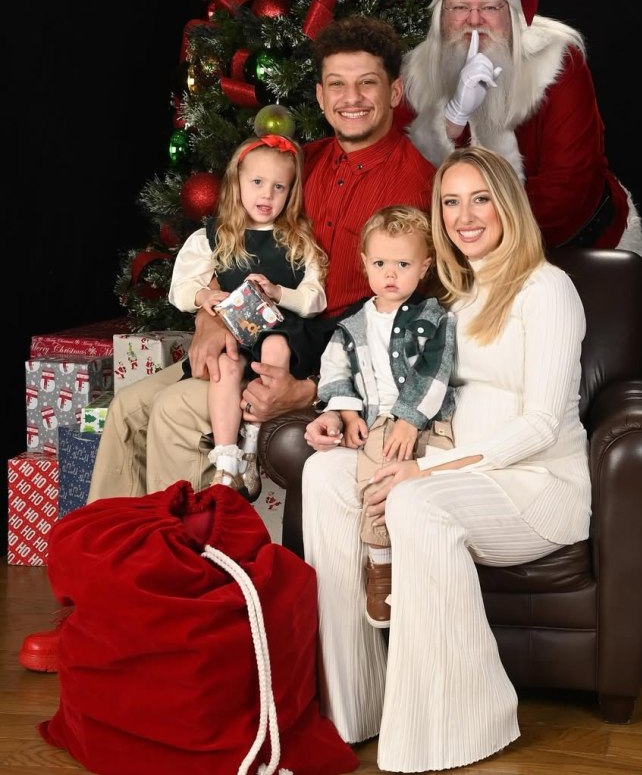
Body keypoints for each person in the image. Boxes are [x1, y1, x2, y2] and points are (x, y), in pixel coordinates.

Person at [18, 15, 436, 673]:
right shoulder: (301, 166)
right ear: (321, 94)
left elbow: (401, 317)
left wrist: (307, 388)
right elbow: (234, 251)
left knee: (173, 414)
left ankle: (181, 618)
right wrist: (211, 322)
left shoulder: (418, 180)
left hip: (316, 364)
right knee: (128, 407)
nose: (350, 97)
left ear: (393, 90)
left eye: (366, 83)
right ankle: (96, 606)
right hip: (241, 339)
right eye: (335, 84)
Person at [301, 145, 592, 773]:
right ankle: (356, 705)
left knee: (415, 502)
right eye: (450, 202)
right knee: (324, 474)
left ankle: (455, 724)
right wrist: (346, 416)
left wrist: (422, 470)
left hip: (535, 487)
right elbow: (396, 384)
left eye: (480, 198)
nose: (465, 215)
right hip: (456, 466)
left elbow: (542, 423)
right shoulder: (450, 298)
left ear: (508, 204)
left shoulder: (546, 290)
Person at [394, 0, 642, 258]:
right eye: (459, 7)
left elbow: (568, 186)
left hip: (575, 246)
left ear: (512, 17)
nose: (473, 21)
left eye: (489, 7)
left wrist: (479, 241)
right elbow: (403, 180)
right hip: (465, 253)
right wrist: (452, 122)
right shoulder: (414, 75)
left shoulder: (557, 60)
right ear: (441, 17)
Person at [306, 205, 456, 629]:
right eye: (380, 263)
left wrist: (410, 420)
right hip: (378, 422)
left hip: (428, 420)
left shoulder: (433, 318)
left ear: (424, 267)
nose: (391, 274)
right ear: (364, 265)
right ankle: (381, 563)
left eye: (403, 264)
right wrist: (346, 412)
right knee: (374, 477)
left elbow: (435, 368)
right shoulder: (351, 326)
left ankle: (427, 561)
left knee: (434, 476)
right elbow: (334, 371)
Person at [169, 132, 327, 498]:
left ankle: (252, 446)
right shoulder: (218, 235)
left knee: (275, 348)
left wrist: (278, 292)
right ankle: (227, 462)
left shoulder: (298, 239)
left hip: (280, 329)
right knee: (225, 365)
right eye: (257, 183)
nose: (266, 195)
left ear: (291, 193)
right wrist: (204, 294)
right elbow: (180, 287)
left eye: (279, 187)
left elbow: (314, 298)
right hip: (236, 329)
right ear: (236, 182)